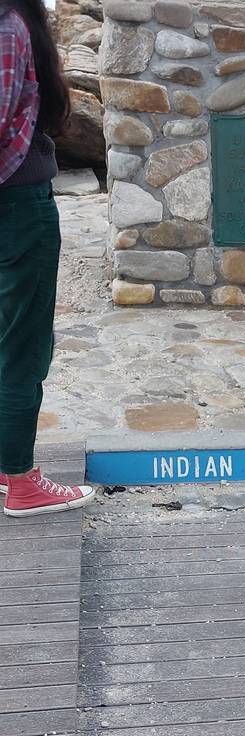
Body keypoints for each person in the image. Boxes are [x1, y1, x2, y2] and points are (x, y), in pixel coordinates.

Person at [0, 0, 94, 516]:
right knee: (23, 346)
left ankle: (5, 461)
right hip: (16, 203)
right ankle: (21, 482)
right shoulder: (9, 25)